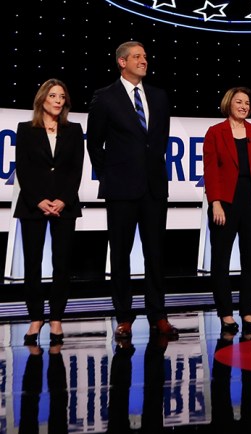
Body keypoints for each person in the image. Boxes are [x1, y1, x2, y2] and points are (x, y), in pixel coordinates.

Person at [87, 40, 178, 340]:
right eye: (137, 56)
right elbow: (94, 143)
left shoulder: (159, 96)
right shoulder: (105, 97)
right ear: (122, 62)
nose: (144, 60)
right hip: (120, 189)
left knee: (156, 254)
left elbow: (159, 139)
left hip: (153, 189)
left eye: (145, 56)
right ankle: (124, 317)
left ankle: (158, 315)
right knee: (121, 255)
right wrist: (110, 174)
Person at [14, 79, 84, 346]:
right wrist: (39, 200)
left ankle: (56, 318)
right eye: (53, 95)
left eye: (62, 96)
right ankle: (35, 318)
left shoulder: (74, 130)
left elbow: (76, 169)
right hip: (33, 206)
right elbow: (23, 168)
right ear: (42, 99)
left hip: (64, 206)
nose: (58, 100)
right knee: (32, 265)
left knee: (62, 265)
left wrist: (63, 199)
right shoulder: (25, 130)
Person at [203, 87, 251, 335]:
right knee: (221, 261)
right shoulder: (215, 132)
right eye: (239, 101)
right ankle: (225, 312)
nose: (244, 106)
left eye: (247, 102)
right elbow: (211, 171)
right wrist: (215, 202)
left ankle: (247, 310)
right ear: (229, 103)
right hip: (225, 202)